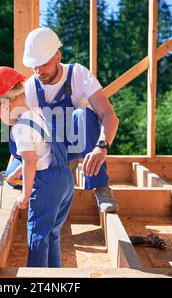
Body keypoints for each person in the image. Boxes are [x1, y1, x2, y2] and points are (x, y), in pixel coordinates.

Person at [0, 66, 74, 268]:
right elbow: (40, 152)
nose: (2, 122)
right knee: (52, 233)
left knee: (37, 237)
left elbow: (30, 162)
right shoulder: (38, 113)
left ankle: (38, 281)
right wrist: (17, 170)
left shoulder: (20, 128)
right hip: (65, 179)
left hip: (47, 184)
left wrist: (26, 193)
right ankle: (55, 277)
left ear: (3, 104)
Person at [19, 27, 120, 212]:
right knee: (17, 175)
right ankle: (63, 170)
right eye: (35, 66)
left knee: (83, 115)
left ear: (58, 56)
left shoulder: (78, 75)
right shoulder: (31, 86)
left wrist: (101, 147)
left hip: (82, 144)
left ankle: (101, 188)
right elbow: (26, 132)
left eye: (44, 64)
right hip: (53, 149)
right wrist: (20, 164)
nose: (39, 71)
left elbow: (109, 115)